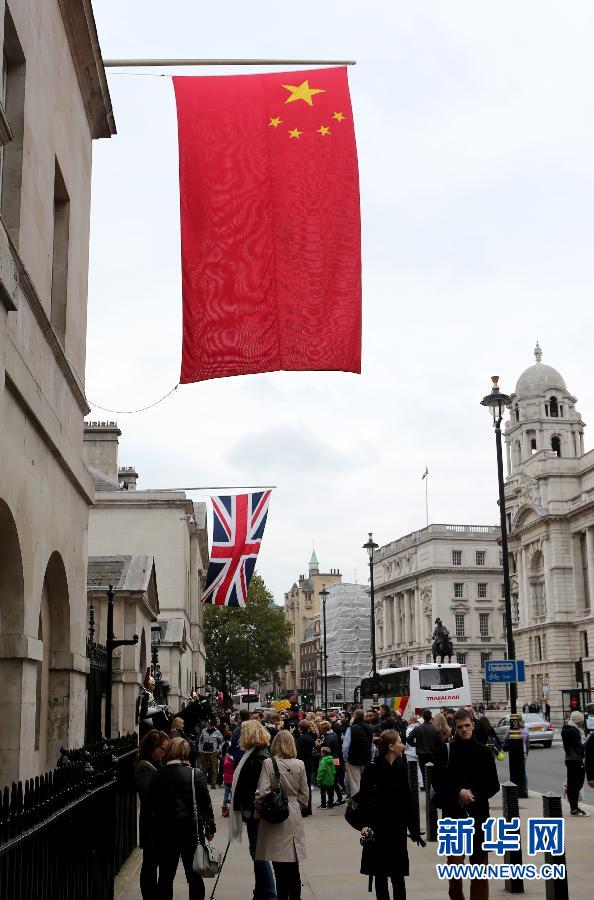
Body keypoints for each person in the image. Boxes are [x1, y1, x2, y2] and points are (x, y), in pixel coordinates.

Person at [433, 708, 500, 900]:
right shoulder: (446, 751)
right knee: (454, 866)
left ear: (473, 725)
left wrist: (473, 795)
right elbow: (437, 782)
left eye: (467, 725)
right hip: (453, 816)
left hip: (478, 816)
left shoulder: (484, 752)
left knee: (479, 869)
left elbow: (493, 784)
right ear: (454, 728)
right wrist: (458, 792)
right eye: (460, 726)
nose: (464, 729)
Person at [358, 730, 424, 900]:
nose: (403, 745)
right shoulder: (372, 769)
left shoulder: (402, 767)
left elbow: (408, 800)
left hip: (397, 830)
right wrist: (363, 825)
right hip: (378, 829)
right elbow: (363, 800)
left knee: (398, 876)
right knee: (380, 876)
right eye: (400, 742)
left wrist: (414, 829)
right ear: (391, 746)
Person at [149, 737, 216, 900]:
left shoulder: (159, 775)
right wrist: (210, 827)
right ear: (185, 752)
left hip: (166, 831)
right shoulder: (195, 774)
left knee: (165, 875)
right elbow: (205, 803)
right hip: (191, 831)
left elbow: (152, 806)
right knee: (194, 876)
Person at [255, 729, 309, 900]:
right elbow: (305, 794)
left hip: (274, 814)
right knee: (294, 866)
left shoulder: (269, 764)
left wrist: (261, 810)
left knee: (278, 866)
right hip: (292, 812)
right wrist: (296, 806)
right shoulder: (300, 764)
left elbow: (261, 792)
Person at [229, 720, 277, 900]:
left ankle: (270, 894)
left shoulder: (257, 756)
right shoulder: (259, 753)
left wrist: (250, 808)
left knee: (259, 854)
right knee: (257, 852)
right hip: (256, 812)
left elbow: (258, 788)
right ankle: (261, 892)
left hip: (257, 812)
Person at [134, 729, 170, 900]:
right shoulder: (144, 767)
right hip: (151, 824)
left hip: (159, 824)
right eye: (162, 749)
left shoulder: (157, 765)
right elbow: (149, 796)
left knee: (157, 864)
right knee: (149, 865)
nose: (164, 753)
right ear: (152, 748)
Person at [561, 711, 590, 816]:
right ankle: (574, 808)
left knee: (572, 783)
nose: (582, 723)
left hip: (569, 759)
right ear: (578, 721)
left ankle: (573, 808)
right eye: (581, 721)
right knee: (577, 783)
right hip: (576, 759)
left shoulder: (566, 729)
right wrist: (588, 742)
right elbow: (579, 748)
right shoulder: (574, 731)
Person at [406, 709, 444, 781]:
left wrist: (415, 745)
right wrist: (436, 748)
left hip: (422, 755)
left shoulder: (418, 728)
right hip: (433, 754)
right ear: (431, 717)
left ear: (422, 717)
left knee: (424, 774)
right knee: (433, 774)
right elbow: (441, 743)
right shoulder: (436, 729)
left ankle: (427, 790)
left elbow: (408, 739)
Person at [343, 709, 373, 796]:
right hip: (366, 759)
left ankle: (356, 805)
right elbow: (371, 745)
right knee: (364, 782)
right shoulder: (370, 728)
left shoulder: (351, 728)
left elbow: (345, 746)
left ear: (355, 716)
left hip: (353, 760)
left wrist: (346, 759)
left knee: (355, 784)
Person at [316, 721, 344, 803]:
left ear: (324, 729)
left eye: (320, 728)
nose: (319, 730)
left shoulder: (328, 737)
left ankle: (334, 799)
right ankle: (338, 798)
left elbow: (325, 751)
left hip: (330, 759)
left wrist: (318, 745)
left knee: (332, 779)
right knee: (334, 778)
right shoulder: (333, 734)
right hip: (336, 758)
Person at [294, 719, 316, 815]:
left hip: (302, 762)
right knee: (306, 785)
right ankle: (308, 808)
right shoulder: (311, 737)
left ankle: (304, 809)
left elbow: (298, 752)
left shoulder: (301, 739)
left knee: (302, 786)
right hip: (309, 762)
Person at [198, 718, 224, 789]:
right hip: (203, 752)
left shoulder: (217, 732)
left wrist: (219, 750)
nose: (208, 726)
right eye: (208, 724)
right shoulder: (204, 731)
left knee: (213, 769)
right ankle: (204, 784)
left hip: (213, 753)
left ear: (213, 725)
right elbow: (200, 740)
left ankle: (213, 784)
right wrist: (200, 749)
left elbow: (221, 741)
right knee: (204, 769)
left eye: (209, 724)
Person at [222, 744, 234, 817]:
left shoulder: (226, 758)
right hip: (232, 779)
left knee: (226, 793)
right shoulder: (233, 759)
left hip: (226, 778)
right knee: (232, 795)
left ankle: (224, 808)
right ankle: (230, 810)